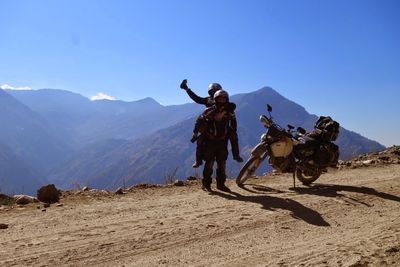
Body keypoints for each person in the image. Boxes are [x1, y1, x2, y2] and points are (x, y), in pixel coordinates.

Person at [180, 79, 243, 167]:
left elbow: (232, 108)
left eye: (216, 91)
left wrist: (233, 129)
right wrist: (187, 89)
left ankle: (236, 155)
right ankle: (198, 161)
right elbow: (197, 99)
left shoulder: (224, 100)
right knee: (200, 140)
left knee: (233, 136)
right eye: (212, 91)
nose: (214, 93)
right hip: (209, 123)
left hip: (223, 123)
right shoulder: (208, 100)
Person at [195, 90, 238, 191]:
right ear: (216, 99)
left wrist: (233, 131)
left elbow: (234, 122)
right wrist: (195, 132)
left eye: (224, 98)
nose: (222, 100)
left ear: (227, 99)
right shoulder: (209, 111)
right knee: (209, 163)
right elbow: (199, 120)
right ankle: (206, 184)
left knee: (222, 164)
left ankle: (221, 184)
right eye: (220, 98)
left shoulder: (230, 112)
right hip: (210, 141)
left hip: (222, 141)